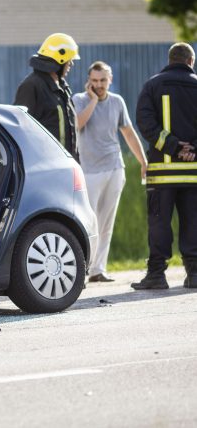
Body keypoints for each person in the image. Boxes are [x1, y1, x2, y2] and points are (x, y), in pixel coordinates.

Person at [73, 61, 147, 283]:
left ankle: (99, 269)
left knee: (107, 221)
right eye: (94, 81)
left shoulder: (117, 102)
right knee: (89, 221)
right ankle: (84, 269)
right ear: (89, 81)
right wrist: (94, 100)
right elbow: (77, 123)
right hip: (89, 171)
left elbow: (129, 133)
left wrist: (143, 161)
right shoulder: (79, 100)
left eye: (103, 80)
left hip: (114, 167)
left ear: (110, 80)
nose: (99, 85)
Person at [132, 42, 197, 290]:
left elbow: (144, 121)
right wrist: (193, 149)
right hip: (193, 174)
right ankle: (194, 274)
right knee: (193, 223)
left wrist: (172, 146)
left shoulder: (153, 85)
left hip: (162, 174)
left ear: (170, 59)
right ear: (191, 61)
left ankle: (157, 276)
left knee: (159, 224)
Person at [14, 33, 80, 161]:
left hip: (66, 166)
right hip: (46, 168)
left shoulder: (62, 88)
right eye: (69, 60)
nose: (71, 64)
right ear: (59, 60)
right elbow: (20, 130)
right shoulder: (31, 86)